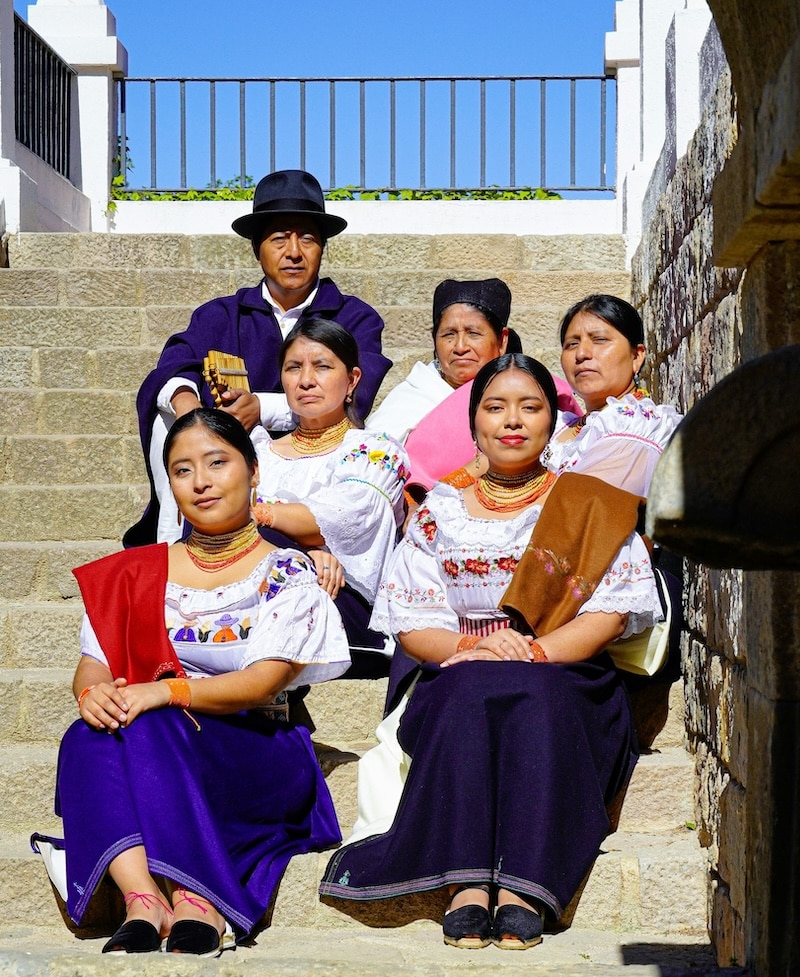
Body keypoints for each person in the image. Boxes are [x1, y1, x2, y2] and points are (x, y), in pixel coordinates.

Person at [319, 354, 663, 950]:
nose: (512, 421)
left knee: (538, 699)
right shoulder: (441, 510)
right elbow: (412, 620)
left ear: (553, 421)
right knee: (463, 693)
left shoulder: (589, 504)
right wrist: (475, 648)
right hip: (462, 667)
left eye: (530, 407)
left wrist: (532, 652)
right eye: (495, 407)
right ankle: (467, 882)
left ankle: (526, 885)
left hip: (566, 672)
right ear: (473, 423)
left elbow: (608, 613)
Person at [41, 409, 350, 955]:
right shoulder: (132, 572)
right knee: (86, 735)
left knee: (154, 719)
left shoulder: (285, 571)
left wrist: (165, 690)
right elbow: (94, 663)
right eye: (182, 470)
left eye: (217, 463)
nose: (201, 481)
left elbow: (263, 682)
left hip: (256, 748)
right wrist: (92, 694)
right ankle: (143, 899)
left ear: (254, 472)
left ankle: (196, 896)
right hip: (151, 737)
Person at [127, 169, 392, 546]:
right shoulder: (219, 316)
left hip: (316, 479)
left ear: (322, 249)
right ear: (257, 249)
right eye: (279, 239)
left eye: (308, 239)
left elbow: (357, 396)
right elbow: (173, 366)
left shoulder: (355, 319)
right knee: (168, 419)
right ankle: (172, 542)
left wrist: (260, 409)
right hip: (226, 469)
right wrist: (193, 416)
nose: (294, 252)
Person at [250, 319, 409, 678]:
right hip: (261, 585)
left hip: (341, 599)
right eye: (294, 368)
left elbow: (337, 519)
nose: (306, 380)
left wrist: (254, 513)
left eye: (322, 366)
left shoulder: (374, 452)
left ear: (352, 380)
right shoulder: (257, 451)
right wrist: (307, 552)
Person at [366, 278, 581, 501]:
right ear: (434, 340)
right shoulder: (410, 398)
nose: (460, 347)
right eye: (448, 334)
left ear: (502, 341)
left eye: (474, 333)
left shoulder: (537, 393)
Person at [542, 294, 681, 497]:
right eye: (571, 344)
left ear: (637, 356)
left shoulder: (639, 428)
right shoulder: (557, 425)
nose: (581, 354)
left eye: (599, 340)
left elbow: (583, 503)